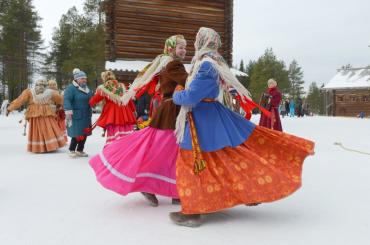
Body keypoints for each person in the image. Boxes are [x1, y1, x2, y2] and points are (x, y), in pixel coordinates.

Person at [169, 27, 315, 227]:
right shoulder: (214, 62)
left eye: (196, 40)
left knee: (189, 163)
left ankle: (192, 212)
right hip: (211, 117)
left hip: (202, 120)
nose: (195, 43)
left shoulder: (206, 65)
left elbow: (192, 96)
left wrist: (177, 94)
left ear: (201, 42)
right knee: (218, 161)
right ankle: (216, 200)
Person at [89, 35, 188, 206]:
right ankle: (148, 185)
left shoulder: (165, 63)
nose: (184, 50)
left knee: (171, 151)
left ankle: (174, 190)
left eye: (185, 47)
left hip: (172, 110)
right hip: (172, 112)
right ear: (170, 48)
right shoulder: (173, 64)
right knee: (165, 151)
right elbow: (188, 82)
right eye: (180, 47)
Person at [6, 79, 66, 153]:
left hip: (42, 112)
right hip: (41, 113)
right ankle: (47, 146)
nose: (40, 87)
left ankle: (46, 146)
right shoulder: (33, 92)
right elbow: (20, 100)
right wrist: (10, 108)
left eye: (42, 85)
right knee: (46, 128)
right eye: (38, 85)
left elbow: (61, 100)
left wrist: (10, 108)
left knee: (45, 128)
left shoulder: (47, 92)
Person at [89, 71, 136, 144]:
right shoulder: (122, 86)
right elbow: (128, 99)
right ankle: (126, 146)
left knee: (114, 131)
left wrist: (89, 102)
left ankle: (114, 148)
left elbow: (93, 101)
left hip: (112, 114)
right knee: (125, 130)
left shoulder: (104, 88)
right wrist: (133, 110)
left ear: (104, 78)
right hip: (124, 112)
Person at [64, 68, 93, 157]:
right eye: (82, 78)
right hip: (76, 114)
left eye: (85, 78)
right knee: (77, 133)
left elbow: (92, 98)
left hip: (86, 115)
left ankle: (80, 150)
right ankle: (72, 150)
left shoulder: (87, 89)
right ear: (76, 79)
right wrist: (68, 110)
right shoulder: (71, 88)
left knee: (85, 133)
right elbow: (67, 99)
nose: (84, 80)